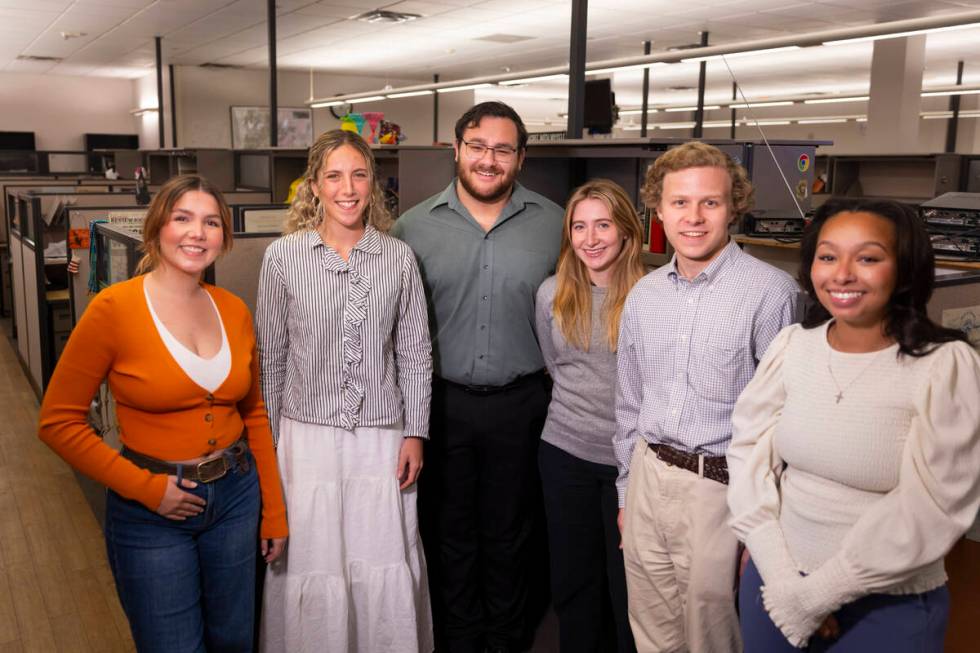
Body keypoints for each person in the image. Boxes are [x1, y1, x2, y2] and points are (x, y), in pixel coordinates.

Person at [38, 174, 288, 652]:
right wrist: (147, 489)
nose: (198, 233)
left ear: (223, 237)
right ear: (156, 229)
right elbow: (57, 422)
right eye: (183, 219)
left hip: (236, 497)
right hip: (151, 512)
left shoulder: (232, 308)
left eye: (211, 222)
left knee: (234, 640)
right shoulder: (114, 308)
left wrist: (273, 512)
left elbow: (254, 414)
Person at [727, 198, 980, 651]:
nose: (842, 273)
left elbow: (935, 506)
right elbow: (747, 455)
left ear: (904, 269)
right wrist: (784, 579)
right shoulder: (793, 346)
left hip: (884, 605)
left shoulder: (944, 365)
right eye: (828, 256)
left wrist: (818, 595)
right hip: (776, 584)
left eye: (867, 258)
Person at [614, 141, 800, 653]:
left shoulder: (772, 293)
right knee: (650, 630)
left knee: (713, 636)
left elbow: (785, 423)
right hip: (648, 477)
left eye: (709, 203)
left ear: (733, 207)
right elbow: (629, 403)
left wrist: (763, 526)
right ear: (657, 208)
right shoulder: (644, 295)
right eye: (679, 203)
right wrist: (626, 493)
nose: (693, 218)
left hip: (721, 489)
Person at [392, 101, 563, 653]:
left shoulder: (556, 224)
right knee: (448, 533)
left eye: (503, 149)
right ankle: (459, 640)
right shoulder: (411, 228)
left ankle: (507, 641)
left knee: (513, 534)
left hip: (524, 404)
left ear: (521, 157)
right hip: (440, 406)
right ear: (457, 149)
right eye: (478, 146)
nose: (489, 160)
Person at [256, 129, 433, 653]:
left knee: (379, 555)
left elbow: (415, 352)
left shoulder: (398, 258)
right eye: (333, 176)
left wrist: (416, 433)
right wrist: (267, 450)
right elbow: (272, 358)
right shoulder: (282, 258)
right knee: (311, 559)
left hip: (381, 437)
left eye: (358, 174)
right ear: (313, 186)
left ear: (372, 183)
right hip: (303, 438)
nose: (347, 188)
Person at [534, 179, 644, 653]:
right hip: (565, 453)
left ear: (625, 231)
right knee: (575, 582)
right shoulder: (551, 294)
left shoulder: (651, 296)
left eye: (603, 225)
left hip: (632, 463)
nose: (591, 238)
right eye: (579, 226)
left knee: (628, 587)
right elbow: (554, 366)